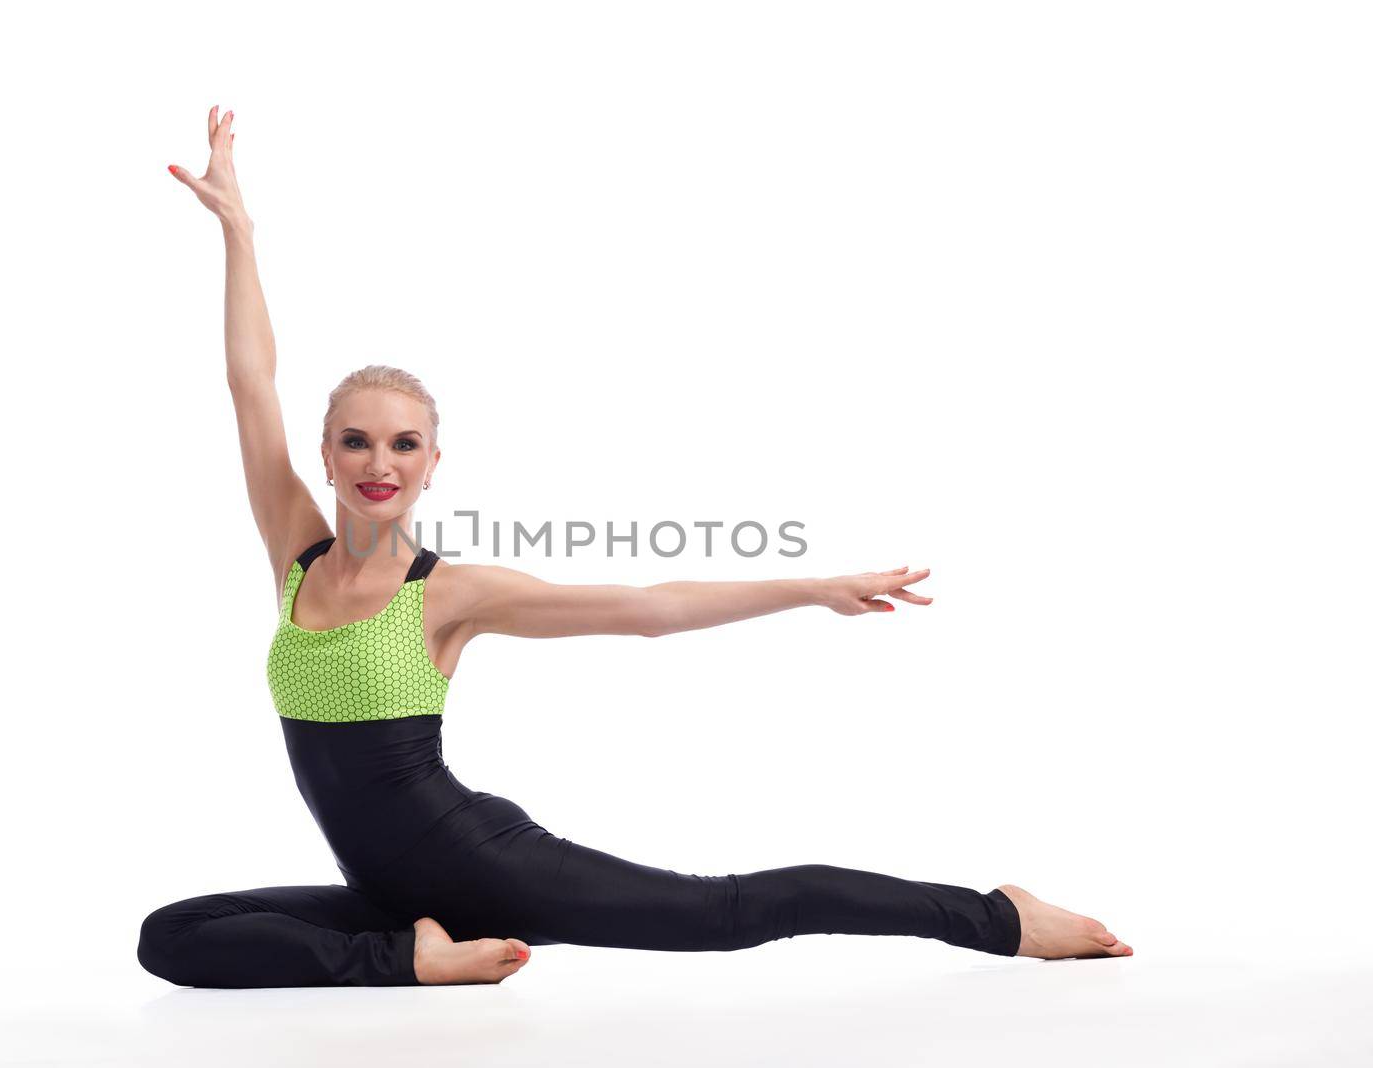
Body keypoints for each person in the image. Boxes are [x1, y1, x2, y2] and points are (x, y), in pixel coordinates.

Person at [138, 105, 1134, 988]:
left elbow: (650, 610)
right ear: (325, 452)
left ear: (435, 461)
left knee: (730, 913)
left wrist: (813, 586)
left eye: (404, 443)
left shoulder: (449, 596)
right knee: (173, 936)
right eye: (354, 439)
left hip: (486, 863)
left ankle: (1000, 918)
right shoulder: (296, 553)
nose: (377, 461)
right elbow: (250, 383)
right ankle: (410, 959)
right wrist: (237, 228)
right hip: (391, 900)